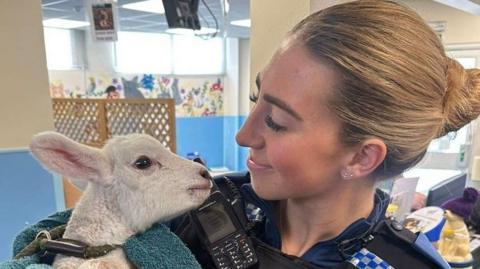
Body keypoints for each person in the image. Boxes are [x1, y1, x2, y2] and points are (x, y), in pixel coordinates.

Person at [8, 0, 480, 268]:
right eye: (257, 100)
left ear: (361, 158)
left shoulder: (402, 265)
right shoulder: (198, 210)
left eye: (276, 121)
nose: (243, 135)